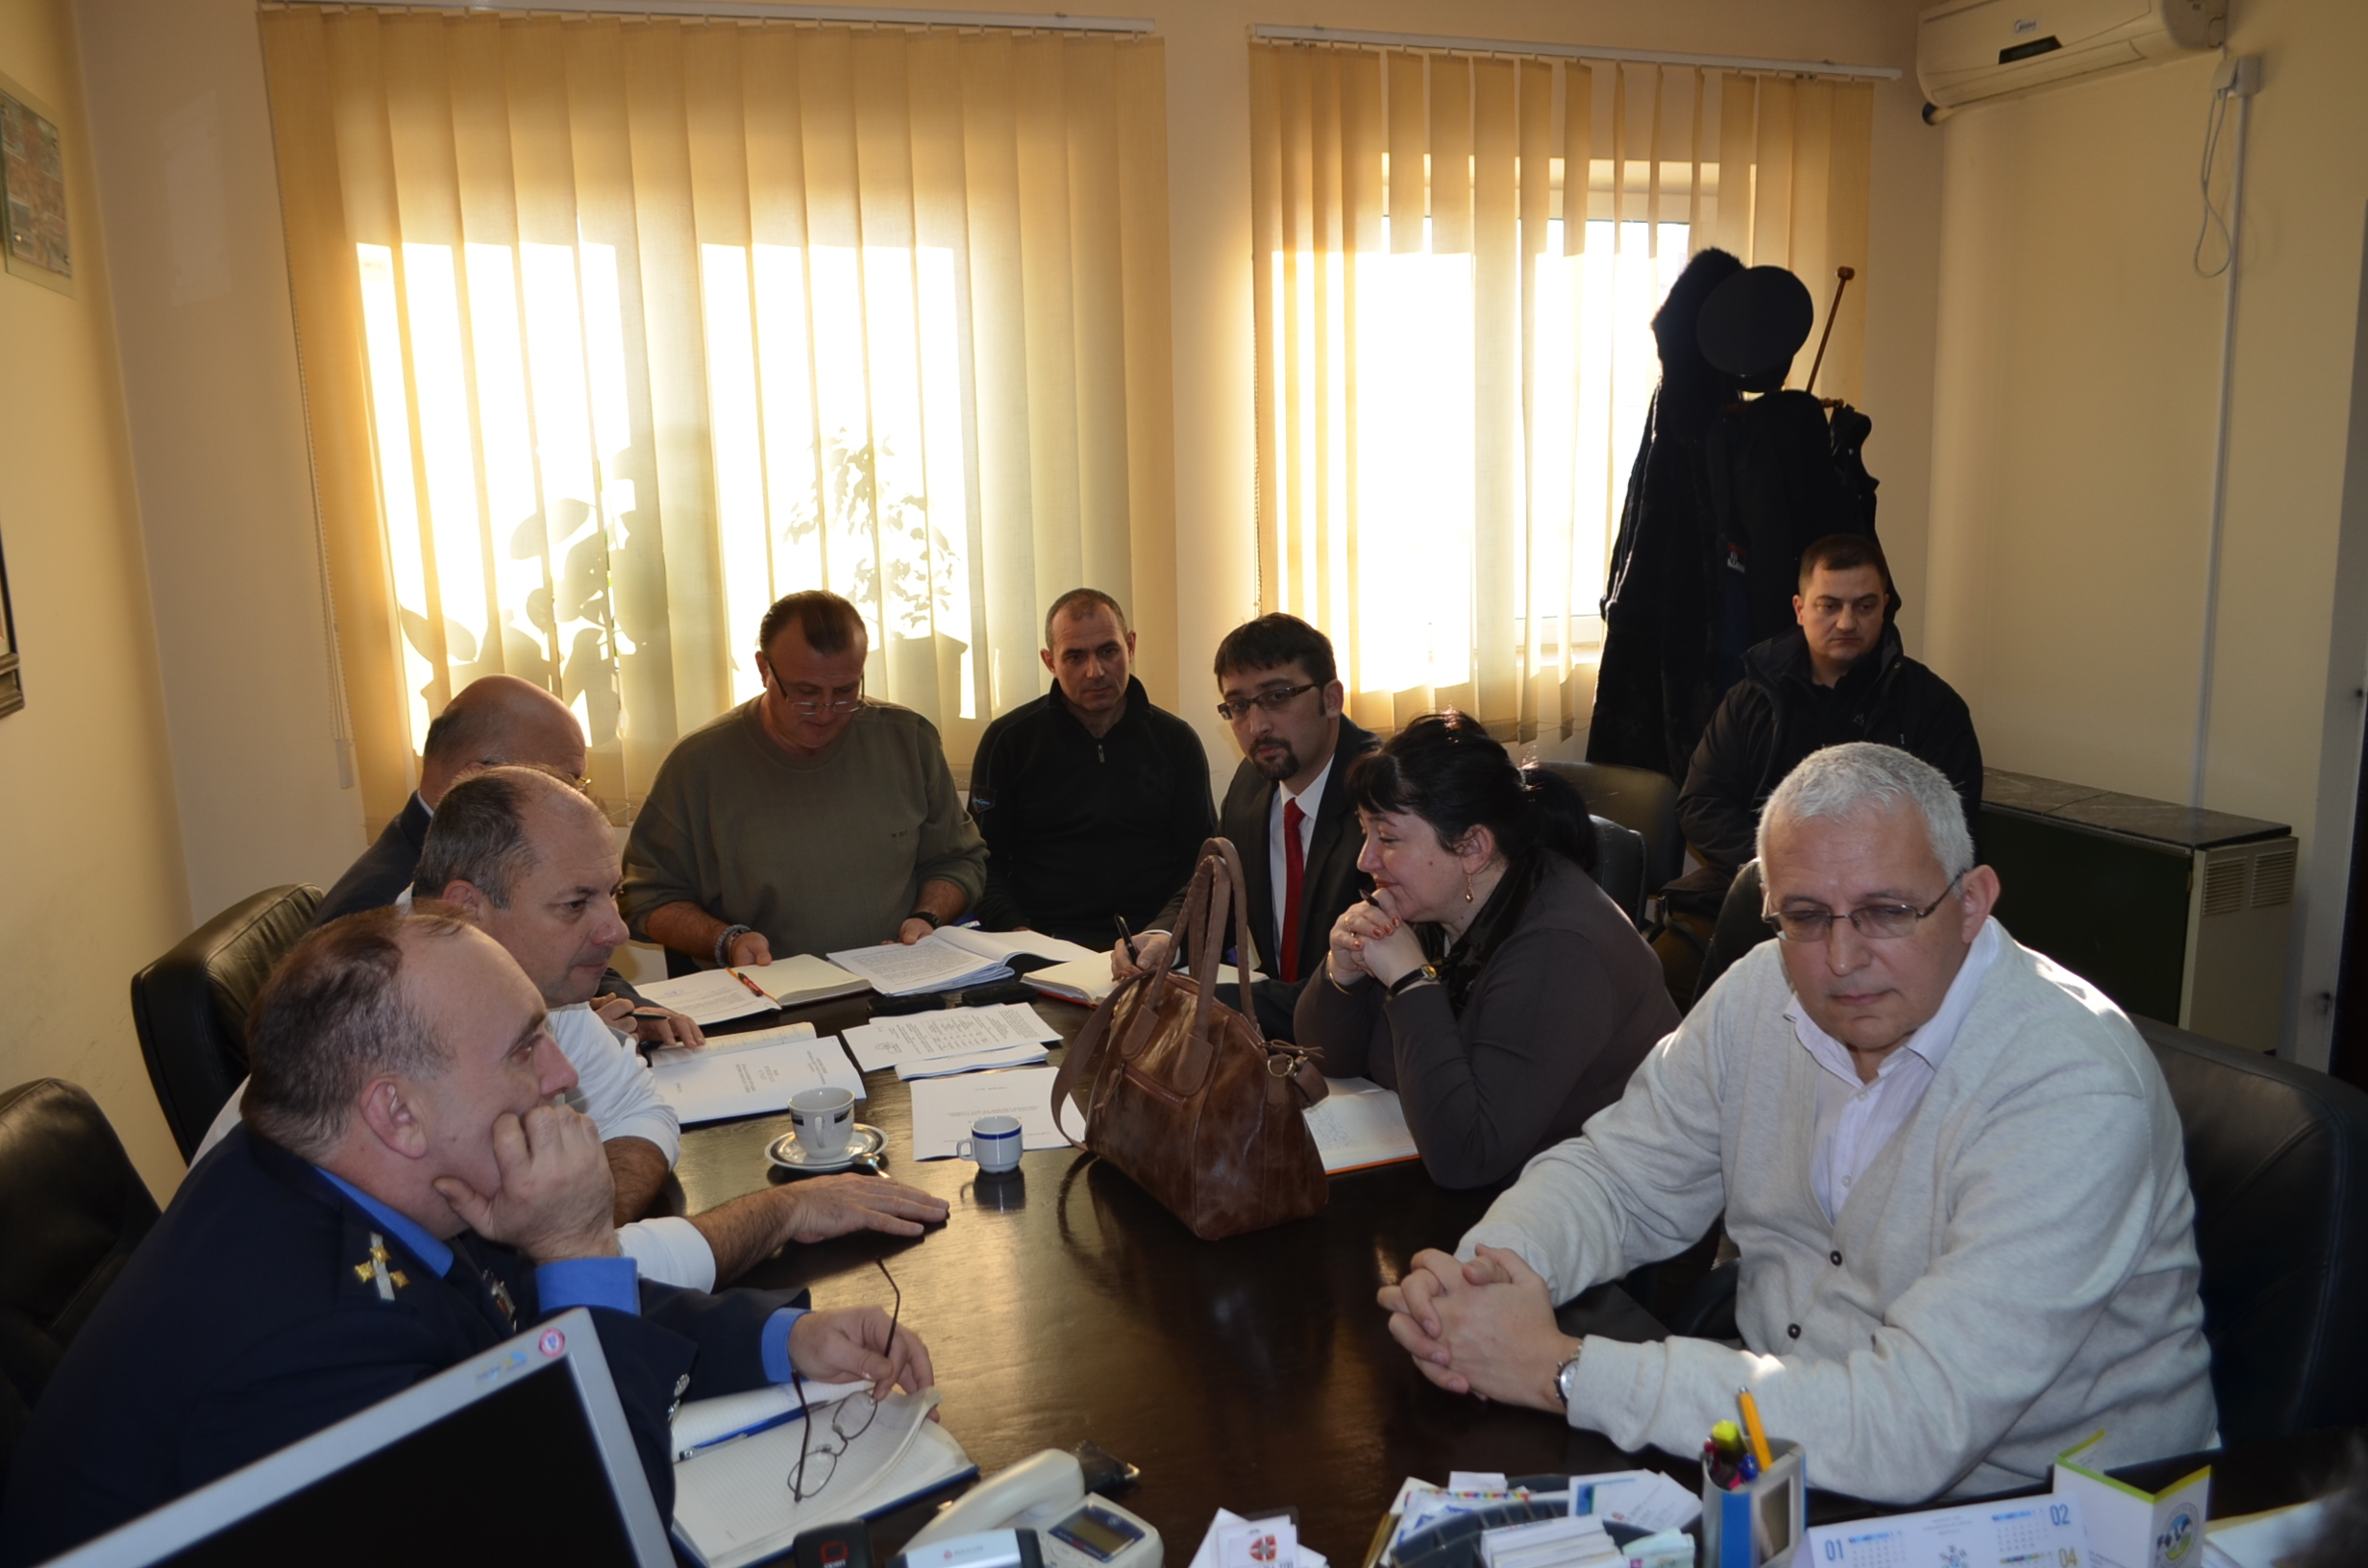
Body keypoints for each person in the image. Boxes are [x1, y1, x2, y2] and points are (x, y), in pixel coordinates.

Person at [1377, 744, 2215, 1505]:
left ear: (1971, 904)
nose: (1841, 960)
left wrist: (1562, 1370)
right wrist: (1484, 1280)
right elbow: (1617, 1177)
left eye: (1887, 911)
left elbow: (1911, 1427)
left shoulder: (2069, 1087)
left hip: (2044, 1509)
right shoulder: (1762, 990)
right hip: (1779, 1450)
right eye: (1806, 916)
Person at [0, 909, 935, 1565]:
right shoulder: (309, 1344)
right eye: (524, 1046)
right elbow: (594, 1539)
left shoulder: (336, 1172)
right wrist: (576, 1245)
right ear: (397, 1114)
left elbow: (515, 1304)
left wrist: (776, 1339)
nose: (561, 1073)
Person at [195, 767, 949, 1288]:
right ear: (466, 908)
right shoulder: (403, 1048)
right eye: (576, 903)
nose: (615, 930)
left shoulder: (513, 985)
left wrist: (585, 1221)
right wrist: (769, 1215)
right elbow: (534, 1294)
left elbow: (641, 1108)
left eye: (611, 895)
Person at [1295, 714, 1678, 1189]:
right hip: (1505, 1191)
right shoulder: (1435, 904)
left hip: (1608, 1207)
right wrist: (1343, 973)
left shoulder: (1561, 948)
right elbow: (1332, 1059)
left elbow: (1467, 1158)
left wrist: (1412, 983)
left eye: (1388, 838)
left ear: (1473, 847)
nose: (1365, 859)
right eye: (1364, 831)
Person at [312, 672, 700, 1047]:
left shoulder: (454, 854)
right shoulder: (374, 920)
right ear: (473, 780)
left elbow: (560, 948)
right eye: (560, 781)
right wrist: (559, 1040)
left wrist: (632, 1009)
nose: (573, 800)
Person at [624, 590, 988, 967]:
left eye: (845, 691)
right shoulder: (698, 766)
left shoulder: (907, 740)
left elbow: (959, 860)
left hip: (897, 980)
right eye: (806, 693)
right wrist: (726, 941)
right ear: (764, 669)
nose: (826, 713)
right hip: (769, 988)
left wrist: (927, 918)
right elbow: (645, 897)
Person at [1666, 532, 1980, 928]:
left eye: (1864, 606)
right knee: (1663, 958)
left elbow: (1950, 828)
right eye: (1829, 606)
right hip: (1758, 890)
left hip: (1883, 908)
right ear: (1800, 609)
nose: (1847, 622)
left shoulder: (1934, 707)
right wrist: (1782, 868)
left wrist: (1842, 885)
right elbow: (1701, 803)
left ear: (1884, 607)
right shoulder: (1751, 698)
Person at [1117, 614, 1379, 1041]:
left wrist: (1195, 1002)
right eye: (1238, 706)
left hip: (1360, 1047)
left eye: (1277, 696)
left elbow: (1360, 987)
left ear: (1331, 699)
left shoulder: (1383, 799)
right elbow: (1214, 884)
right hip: (1279, 1041)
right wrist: (1166, 938)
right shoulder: (1251, 783)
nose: (1256, 726)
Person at [969, 589, 1215, 947]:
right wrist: (1019, 935)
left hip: (1154, 941)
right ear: (1050, 662)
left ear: (1130, 646)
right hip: (1042, 941)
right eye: (1075, 656)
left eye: (1108, 651)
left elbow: (1200, 861)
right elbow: (982, 861)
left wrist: (1164, 933)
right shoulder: (1008, 741)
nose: (1095, 671)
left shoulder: (1176, 741)